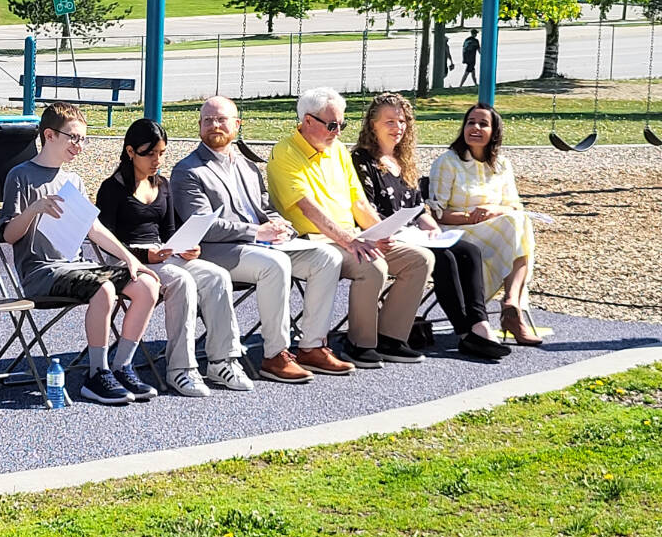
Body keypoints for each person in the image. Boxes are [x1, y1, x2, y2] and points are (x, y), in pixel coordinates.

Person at [171, 96, 353, 384]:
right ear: (199, 126)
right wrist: (257, 232)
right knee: (275, 263)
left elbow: (266, 210)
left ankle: (312, 346)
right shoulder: (188, 170)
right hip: (217, 251)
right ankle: (275, 355)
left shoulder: (247, 166)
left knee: (327, 257)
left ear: (237, 125)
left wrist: (283, 227)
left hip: (261, 246)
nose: (214, 125)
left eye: (221, 119)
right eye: (208, 120)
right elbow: (204, 226)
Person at [0, 103, 161, 405]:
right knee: (104, 288)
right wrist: (34, 209)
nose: (80, 145)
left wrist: (129, 258)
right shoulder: (20, 176)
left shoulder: (73, 181)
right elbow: (9, 235)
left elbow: (93, 228)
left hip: (75, 267)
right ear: (49, 135)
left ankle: (122, 366)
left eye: (83, 139)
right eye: (73, 138)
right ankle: (95, 374)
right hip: (41, 272)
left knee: (147, 285)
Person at [267, 87, 434, 369]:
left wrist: (383, 234)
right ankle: (360, 344)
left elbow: (359, 203)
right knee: (373, 266)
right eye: (332, 125)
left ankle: (391, 338)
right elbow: (309, 210)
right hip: (313, 243)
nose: (338, 132)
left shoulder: (339, 152)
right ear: (308, 121)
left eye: (341, 124)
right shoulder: (285, 152)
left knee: (420, 259)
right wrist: (351, 240)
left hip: (351, 238)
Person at [351, 93, 510, 361]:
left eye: (402, 121)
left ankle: (479, 324)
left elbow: (418, 205)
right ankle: (465, 334)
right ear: (372, 124)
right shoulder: (362, 160)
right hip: (384, 234)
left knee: (468, 251)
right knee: (445, 259)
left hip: (414, 232)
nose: (398, 127)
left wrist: (430, 226)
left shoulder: (403, 160)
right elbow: (364, 207)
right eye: (389, 121)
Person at [96, 119, 243, 397]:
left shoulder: (162, 185)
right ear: (130, 152)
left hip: (163, 255)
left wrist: (188, 247)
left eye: (161, 153)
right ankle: (181, 369)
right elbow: (107, 242)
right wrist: (143, 255)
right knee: (181, 280)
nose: (156, 160)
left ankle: (223, 360)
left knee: (217, 275)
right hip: (127, 261)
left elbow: (170, 231)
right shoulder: (112, 189)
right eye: (149, 153)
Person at [429, 104, 542, 346]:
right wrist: (472, 217)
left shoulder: (502, 165)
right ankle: (514, 310)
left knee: (520, 222)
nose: (475, 128)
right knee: (517, 228)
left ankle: (512, 303)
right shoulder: (447, 162)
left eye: (483, 124)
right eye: (471, 122)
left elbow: (514, 206)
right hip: (457, 230)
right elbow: (438, 214)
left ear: (494, 131)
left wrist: (494, 210)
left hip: (498, 230)